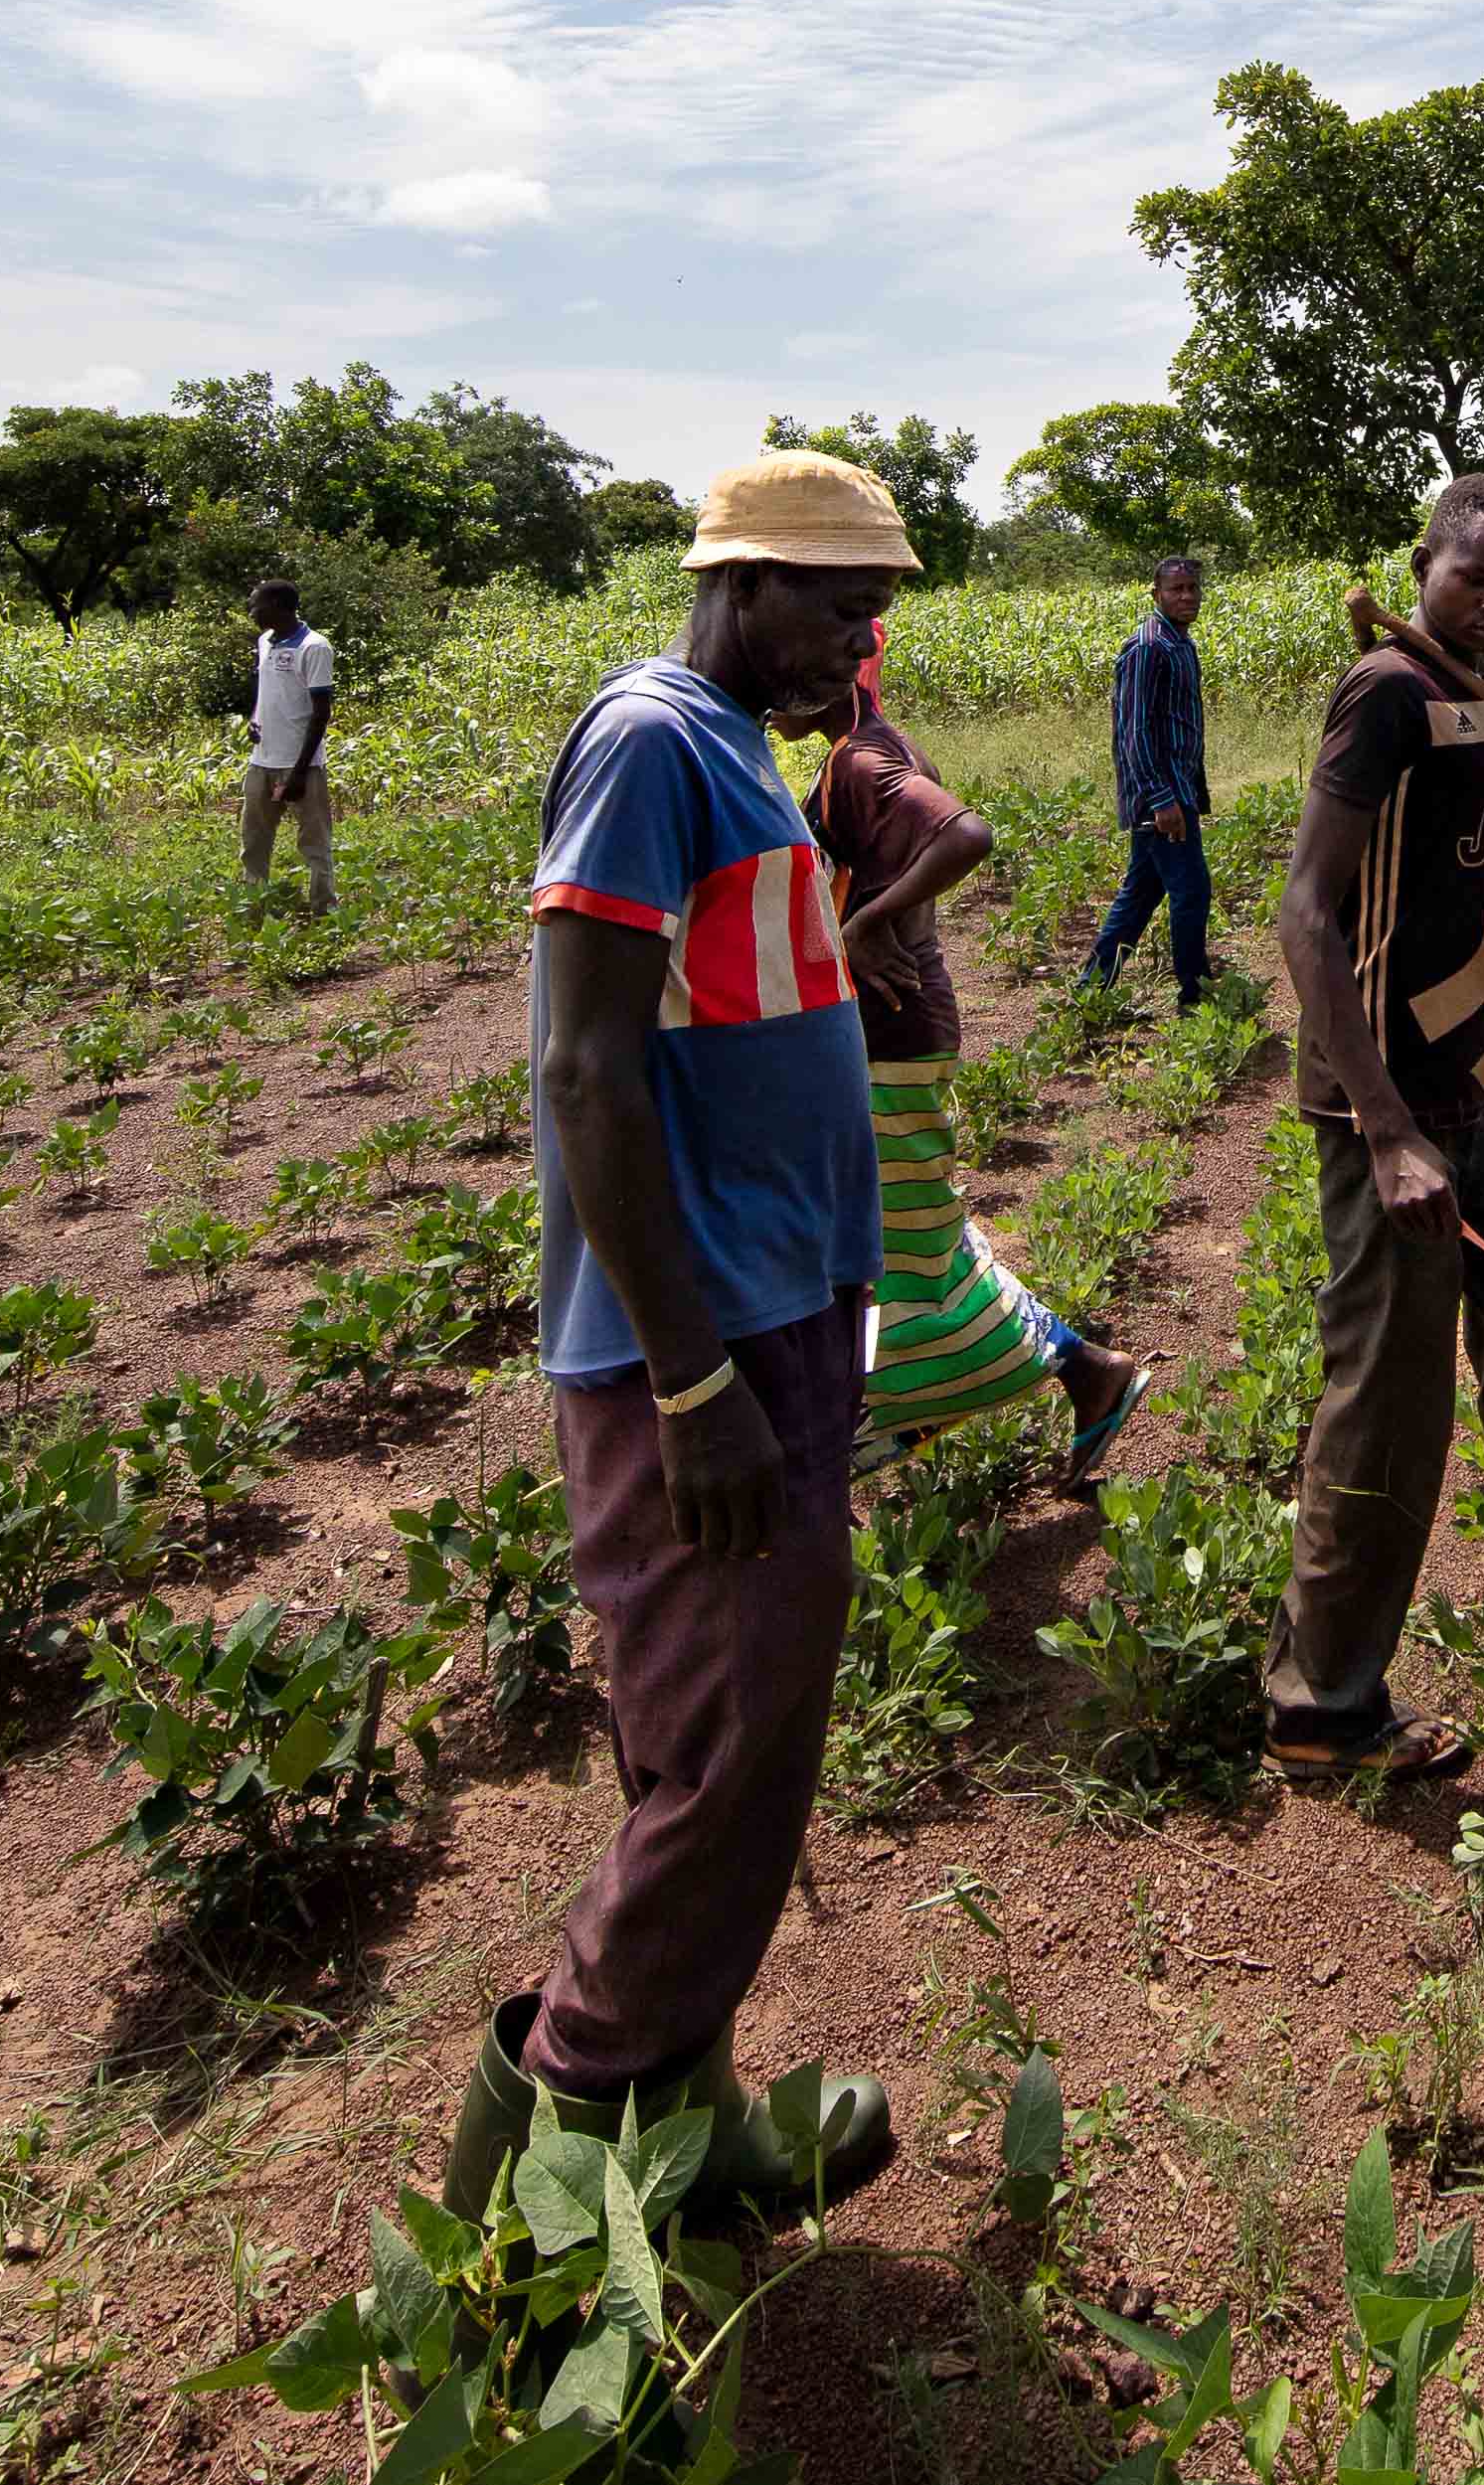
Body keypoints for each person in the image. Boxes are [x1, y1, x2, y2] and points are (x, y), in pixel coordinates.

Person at [434, 453, 915, 2227]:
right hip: (705, 1345)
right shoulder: (649, 738)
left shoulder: (727, 745)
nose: (860, 647)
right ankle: (557, 2197)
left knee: (716, 1727)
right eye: (840, 609)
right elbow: (585, 1069)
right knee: (727, 1765)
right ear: (740, 579)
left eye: (874, 615)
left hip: (777, 1311)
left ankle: (684, 2121)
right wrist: (694, 1377)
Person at [1263, 471, 1484, 1785]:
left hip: (1460, 1081)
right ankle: (1321, 1704)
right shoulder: (1385, 692)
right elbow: (1308, 906)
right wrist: (1386, 1127)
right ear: (1423, 562)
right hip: (1390, 1103)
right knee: (1390, 1401)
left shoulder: (1460, 686)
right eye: (1474, 576)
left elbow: (1418, 866)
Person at [774, 646, 1144, 1488]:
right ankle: (1079, 1372)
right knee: (907, 1242)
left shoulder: (859, 760)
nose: (768, 701)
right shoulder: (874, 746)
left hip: (893, 1037)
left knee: (908, 1262)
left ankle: (878, 1426)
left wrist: (868, 920)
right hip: (893, 1031)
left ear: (828, 673)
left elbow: (966, 833)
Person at [1085, 558, 1215, 1008]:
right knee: (1192, 892)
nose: (1187, 596)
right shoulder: (1147, 647)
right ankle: (1195, 997)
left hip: (1177, 788)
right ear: (1156, 594)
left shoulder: (1180, 643)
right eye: (1176, 589)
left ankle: (1090, 991)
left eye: (1193, 587)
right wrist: (1161, 799)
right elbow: (1134, 730)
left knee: (1140, 895)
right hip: (1160, 794)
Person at [238, 575, 336, 915]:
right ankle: (254, 910)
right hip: (262, 762)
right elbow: (268, 690)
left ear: (277, 606)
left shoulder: (314, 647)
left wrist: (298, 773)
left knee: (314, 844)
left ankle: (324, 913)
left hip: (301, 767)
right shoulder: (265, 641)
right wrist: (255, 718)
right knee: (253, 843)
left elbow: (321, 713)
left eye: (256, 605)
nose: (251, 611)